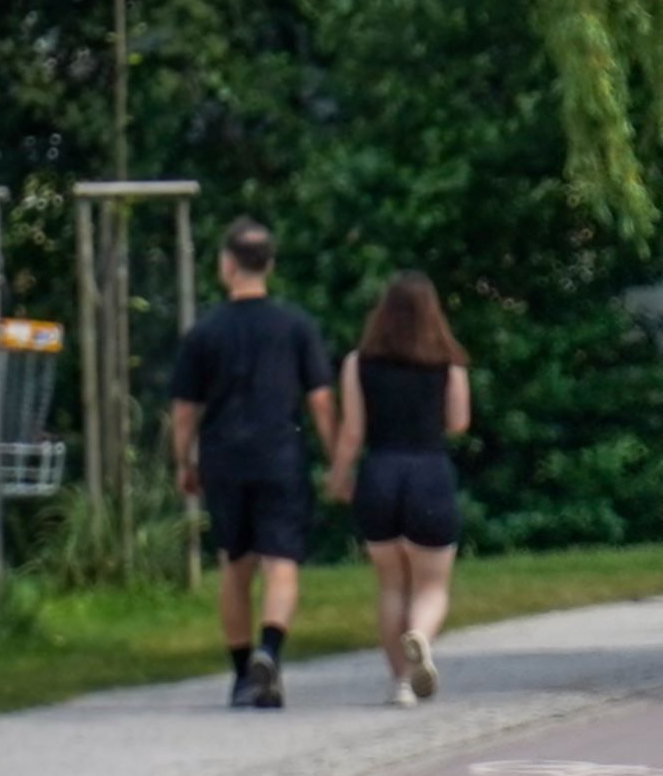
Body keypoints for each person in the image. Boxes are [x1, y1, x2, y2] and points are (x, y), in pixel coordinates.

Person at [167, 219, 334, 710]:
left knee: (235, 567)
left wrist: (184, 461)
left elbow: (182, 411)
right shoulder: (296, 327)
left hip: (223, 459)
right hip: (281, 455)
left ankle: (243, 675)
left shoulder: (205, 332)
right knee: (281, 563)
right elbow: (321, 400)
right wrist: (335, 456)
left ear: (226, 265)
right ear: (270, 265)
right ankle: (270, 651)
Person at [325, 270, 472, 706]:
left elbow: (352, 432)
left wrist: (337, 477)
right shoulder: (449, 363)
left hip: (381, 475)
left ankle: (402, 684)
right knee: (431, 586)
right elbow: (459, 423)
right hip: (428, 473)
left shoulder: (358, 363)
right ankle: (421, 638)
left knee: (391, 585)